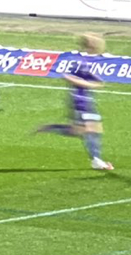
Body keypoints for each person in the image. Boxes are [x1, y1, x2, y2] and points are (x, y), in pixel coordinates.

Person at [34, 33, 114, 171]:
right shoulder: (80, 61)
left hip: (86, 100)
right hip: (80, 101)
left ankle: (51, 128)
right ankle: (96, 160)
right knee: (90, 130)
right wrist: (88, 84)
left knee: (82, 131)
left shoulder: (87, 60)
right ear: (91, 45)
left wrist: (94, 82)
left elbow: (96, 81)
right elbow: (68, 77)